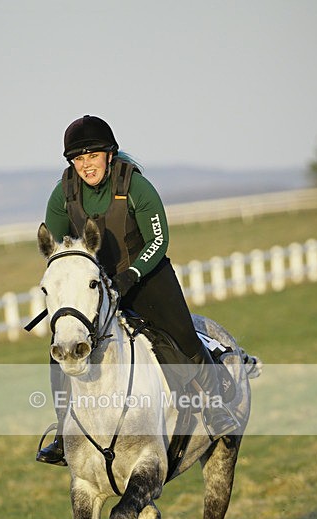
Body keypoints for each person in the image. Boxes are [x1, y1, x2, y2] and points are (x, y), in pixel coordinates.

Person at [37, 115, 238, 465]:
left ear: (109, 155)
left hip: (146, 275)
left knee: (181, 335)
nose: (86, 165)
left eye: (93, 156)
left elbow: (158, 239)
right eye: (79, 159)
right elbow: (60, 250)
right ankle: (63, 431)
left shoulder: (136, 187)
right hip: (96, 285)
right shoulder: (62, 194)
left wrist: (131, 274)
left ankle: (215, 408)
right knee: (62, 344)